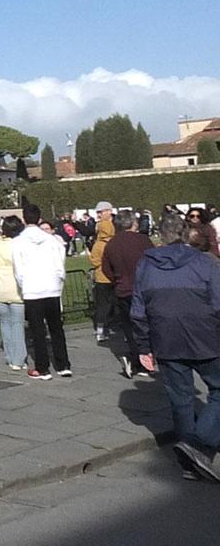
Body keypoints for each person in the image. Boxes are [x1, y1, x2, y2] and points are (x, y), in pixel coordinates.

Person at [131, 212, 220, 481]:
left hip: (165, 337)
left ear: (161, 235)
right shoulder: (204, 263)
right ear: (185, 234)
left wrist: (143, 345)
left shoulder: (146, 265)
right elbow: (218, 303)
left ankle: (189, 459)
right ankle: (198, 444)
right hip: (204, 336)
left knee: (180, 399)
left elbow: (138, 310)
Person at [13, 204, 70, 380]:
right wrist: (58, 281)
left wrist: (24, 285)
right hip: (51, 287)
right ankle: (63, 365)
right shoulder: (51, 240)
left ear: (24, 219)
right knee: (56, 328)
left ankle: (42, 368)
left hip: (32, 289)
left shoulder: (18, 242)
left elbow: (18, 269)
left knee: (37, 330)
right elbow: (60, 262)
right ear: (39, 219)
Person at [102, 209, 154, 379]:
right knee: (147, 325)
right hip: (144, 288)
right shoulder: (143, 240)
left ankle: (136, 360)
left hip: (123, 289)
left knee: (129, 327)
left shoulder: (112, 244)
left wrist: (117, 279)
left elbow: (106, 269)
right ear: (133, 223)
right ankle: (146, 358)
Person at [0, 216, 27, 371]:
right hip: (16, 288)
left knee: (5, 322)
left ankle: (10, 357)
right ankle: (18, 359)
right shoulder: (20, 244)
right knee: (17, 324)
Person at [89, 201, 116, 341]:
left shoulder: (99, 245)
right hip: (115, 276)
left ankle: (100, 330)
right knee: (115, 303)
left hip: (101, 277)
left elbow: (94, 261)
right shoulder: (115, 242)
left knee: (102, 305)